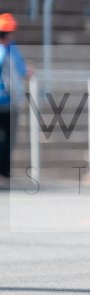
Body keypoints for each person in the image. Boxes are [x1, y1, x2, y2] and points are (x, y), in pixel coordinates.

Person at [0, 14, 32, 187]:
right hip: (7, 102)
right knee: (7, 139)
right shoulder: (7, 50)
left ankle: (4, 172)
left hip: (6, 101)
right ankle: (4, 172)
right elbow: (16, 73)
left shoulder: (10, 48)